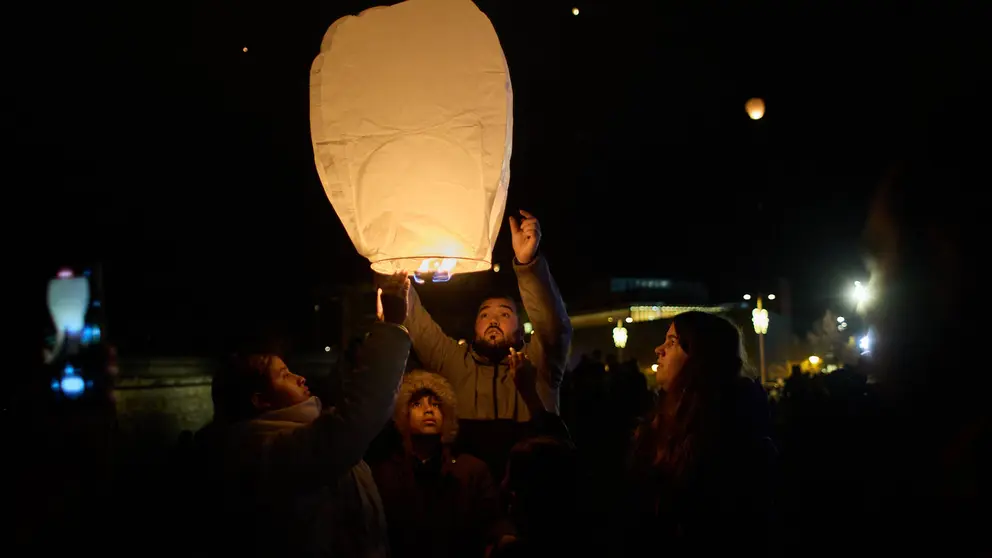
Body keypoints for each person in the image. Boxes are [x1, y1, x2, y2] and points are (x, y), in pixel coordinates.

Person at [206, 274, 412, 557]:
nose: (300, 377)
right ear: (261, 400)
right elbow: (355, 421)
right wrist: (390, 330)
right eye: (284, 375)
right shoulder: (267, 453)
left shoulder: (300, 435)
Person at [624, 311, 776, 555]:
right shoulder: (658, 424)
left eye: (672, 342)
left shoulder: (733, 441)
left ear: (700, 355)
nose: (658, 349)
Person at [403, 210, 571, 421]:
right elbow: (417, 324)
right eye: (484, 315)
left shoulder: (539, 364)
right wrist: (391, 270)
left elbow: (554, 328)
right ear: (474, 327)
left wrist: (528, 265)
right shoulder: (453, 363)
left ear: (520, 330)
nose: (493, 320)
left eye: (505, 314)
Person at [371, 371, 505, 558]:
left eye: (436, 404)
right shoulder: (385, 474)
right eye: (417, 404)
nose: (429, 410)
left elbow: (493, 524)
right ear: (403, 414)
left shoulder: (472, 470)